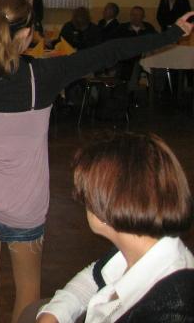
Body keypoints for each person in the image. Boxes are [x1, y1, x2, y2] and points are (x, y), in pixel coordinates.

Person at [0, 0, 191, 323]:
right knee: (28, 287)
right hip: (24, 202)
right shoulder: (43, 76)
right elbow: (112, 50)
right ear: (28, 34)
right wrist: (173, 33)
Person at [36, 132, 193, 323]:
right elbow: (94, 277)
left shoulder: (172, 310)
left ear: (104, 211)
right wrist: (54, 313)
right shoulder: (140, 247)